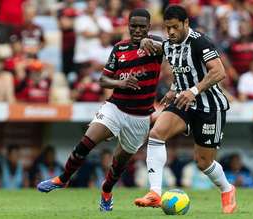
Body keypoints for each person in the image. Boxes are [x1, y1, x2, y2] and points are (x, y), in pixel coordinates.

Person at [37, 8, 163, 212]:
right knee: (87, 141)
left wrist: (153, 42)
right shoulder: (119, 48)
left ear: (148, 27)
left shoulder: (155, 47)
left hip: (140, 118)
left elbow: (167, 47)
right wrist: (120, 84)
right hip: (115, 107)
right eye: (134, 26)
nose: (137, 30)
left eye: (142, 27)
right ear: (128, 26)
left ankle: (106, 191)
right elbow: (103, 79)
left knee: (119, 163)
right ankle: (63, 178)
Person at [134, 5, 236, 214]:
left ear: (186, 23)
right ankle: (154, 192)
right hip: (183, 101)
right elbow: (180, 68)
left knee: (204, 162)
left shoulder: (201, 42)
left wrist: (194, 91)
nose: (170, 32)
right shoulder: (169, 44)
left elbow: (219, 72)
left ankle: (227, 189)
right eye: (167, 27)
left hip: (209, 106)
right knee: (156, 134)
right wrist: (174, 89)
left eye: (174, 27)